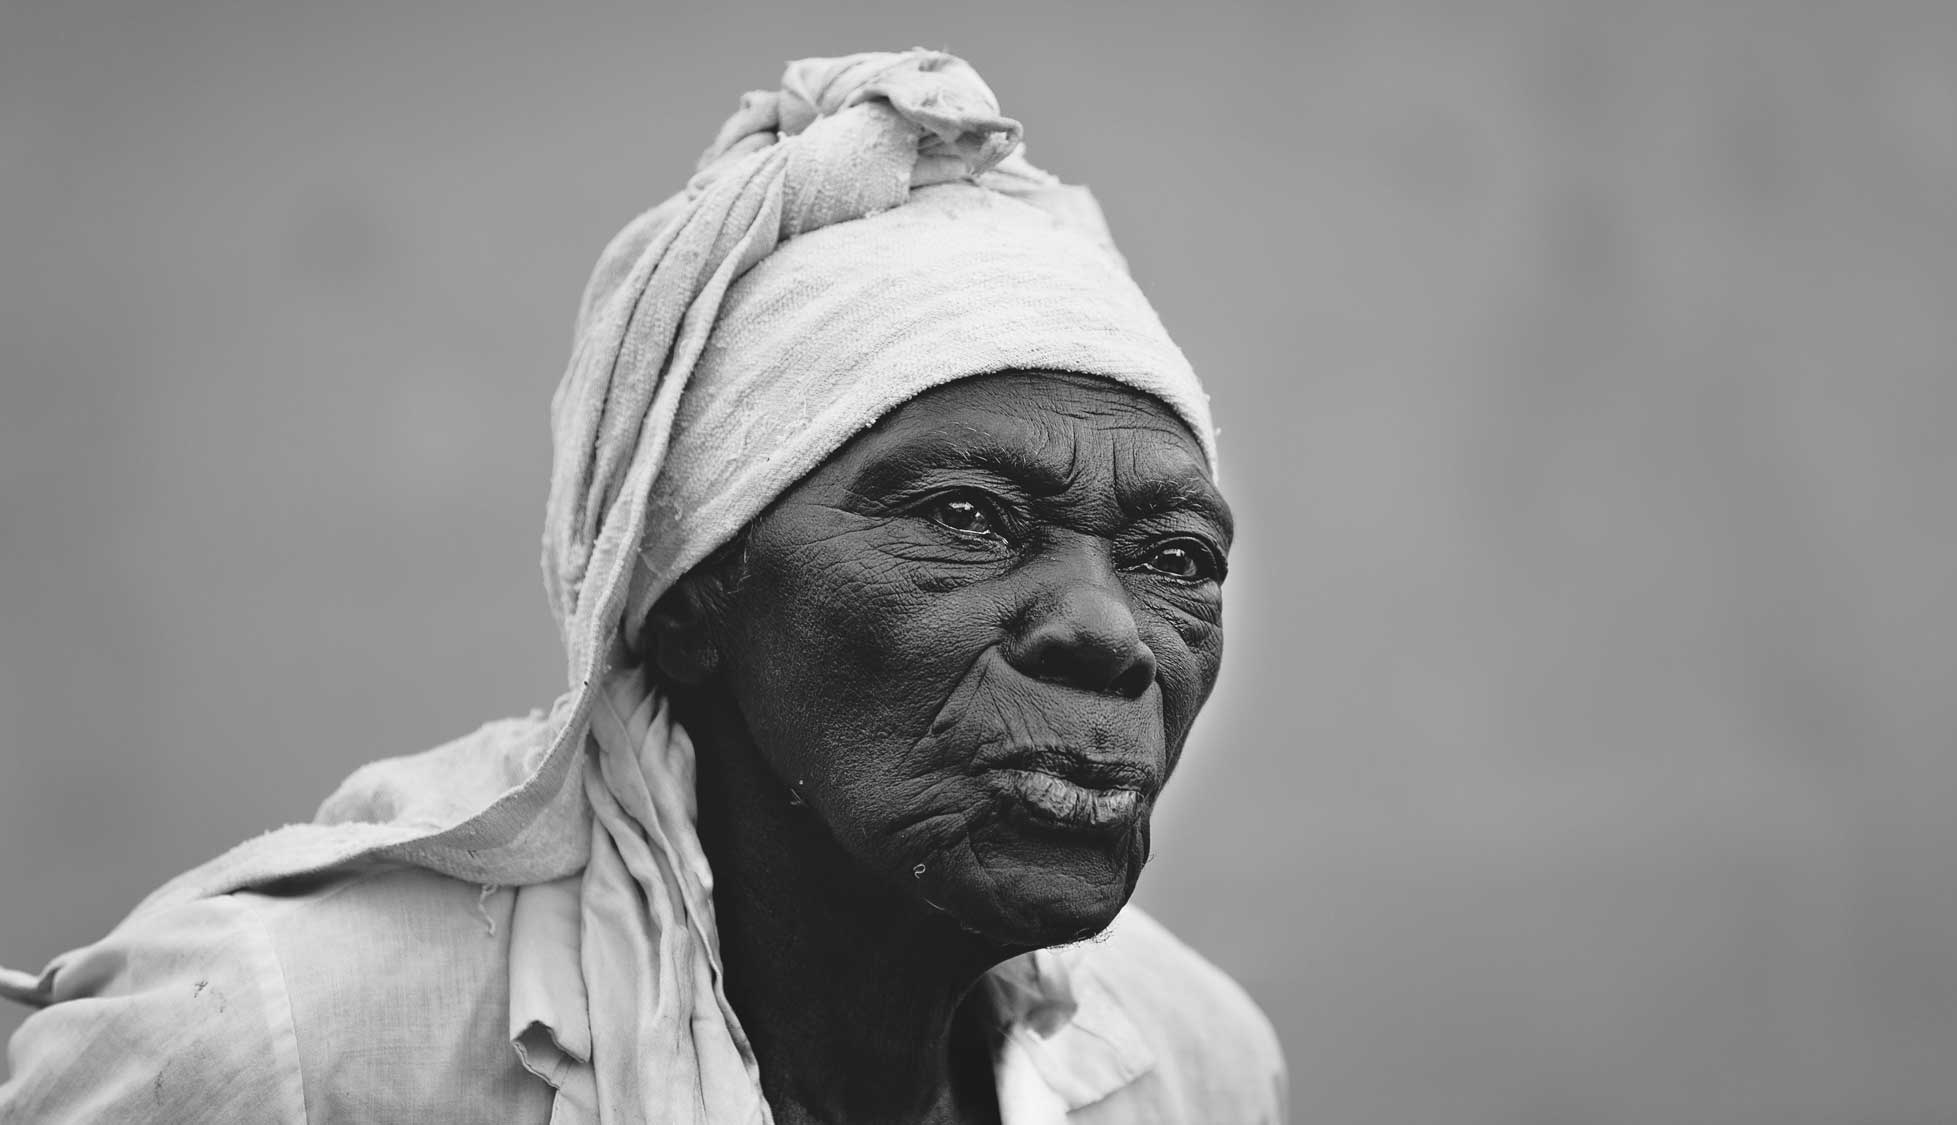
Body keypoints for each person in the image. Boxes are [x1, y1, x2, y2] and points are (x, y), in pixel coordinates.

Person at [0, 49, 1285, 1124]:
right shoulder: (283, 1048)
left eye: (1177, 559)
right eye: (965, 517)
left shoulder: (1190, 1067)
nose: (1110, 633)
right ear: (687, 602)